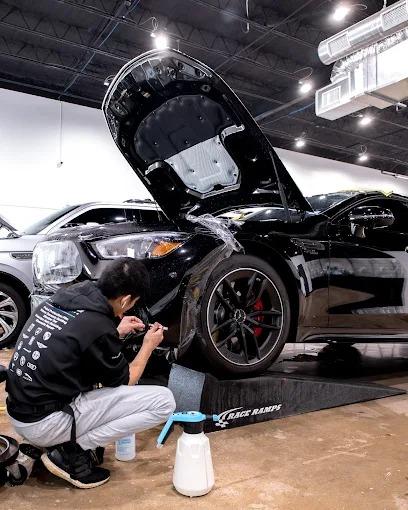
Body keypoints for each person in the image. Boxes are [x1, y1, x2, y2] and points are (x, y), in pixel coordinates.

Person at [6, 257, 176, 489]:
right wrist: (148, 345)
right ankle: (71, 452)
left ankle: (48, 444)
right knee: (164, 401)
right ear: (125, 300)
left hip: (19, 411)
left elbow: (74, 338)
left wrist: (115, 332)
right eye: (132, 303)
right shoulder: (98, 327)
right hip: (44, 422)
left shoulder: (67, 296)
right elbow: (126, 381)